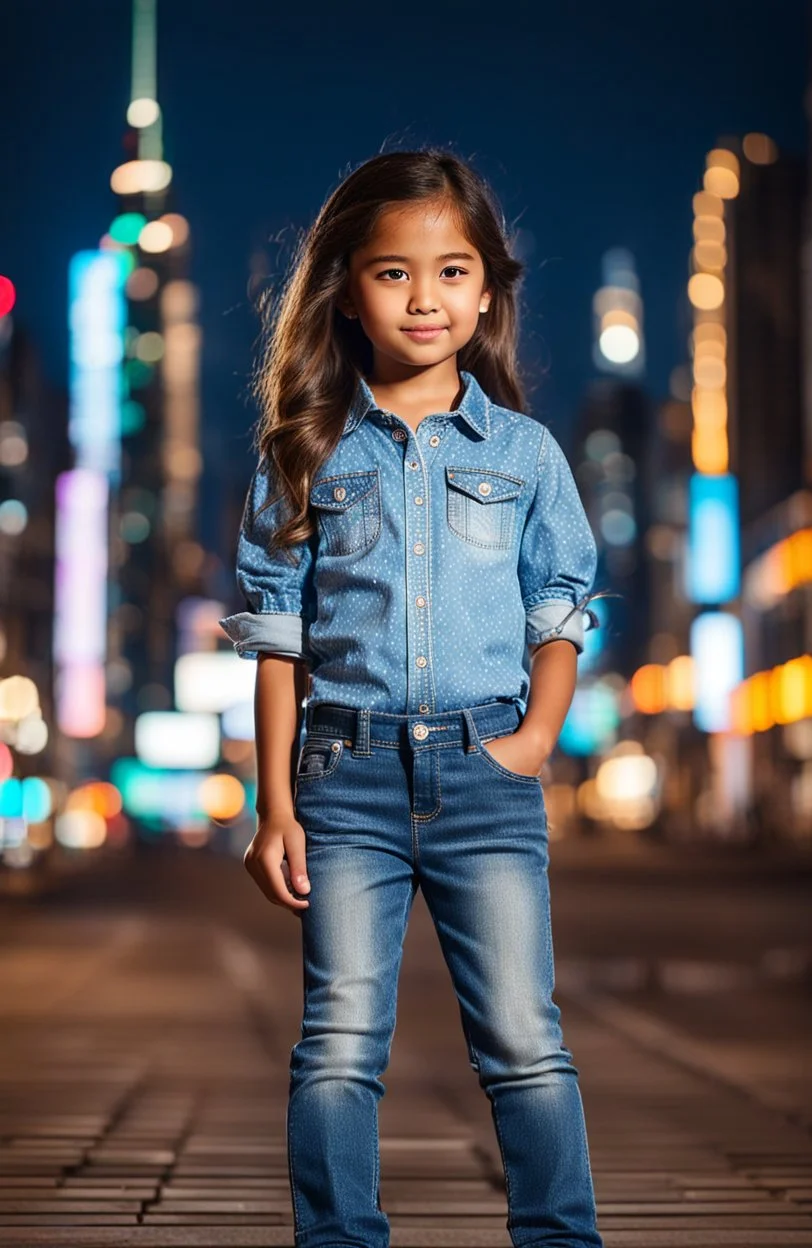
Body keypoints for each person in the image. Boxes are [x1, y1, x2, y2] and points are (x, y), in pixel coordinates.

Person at [219, 146, 605, 1248]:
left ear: (486, 289)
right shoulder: (304, 447)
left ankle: (559, 1237)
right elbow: (276, 636)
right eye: (392, 272)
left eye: (449, 271)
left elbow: (561, 604)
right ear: (346, 289)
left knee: (526, 1042)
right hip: (344, 781)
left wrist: (534, 741)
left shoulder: (524, 451)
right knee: (338, 1040)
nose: (423, 296)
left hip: (486, 775)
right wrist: (275, 806)